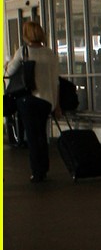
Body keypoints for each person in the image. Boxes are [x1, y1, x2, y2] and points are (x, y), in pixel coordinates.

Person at [5, 19, 61, 182]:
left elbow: (9, 72)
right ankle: (43, 167)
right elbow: (56, 80)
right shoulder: (50, 54)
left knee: (32, 136)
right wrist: (57, 104)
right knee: (41, 134)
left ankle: (37, 172)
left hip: (28, 100)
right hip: (46, 100)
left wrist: (7, 65)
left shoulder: (23, 51)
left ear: (26, 35)